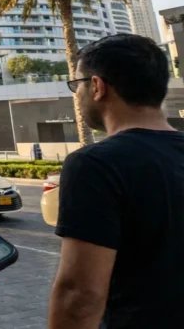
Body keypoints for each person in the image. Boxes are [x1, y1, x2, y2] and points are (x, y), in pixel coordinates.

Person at [49, 34, 184, 328]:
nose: (77, 95)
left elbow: (81, 295)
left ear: (97, 86)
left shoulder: (95, 164)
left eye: (76, 84)